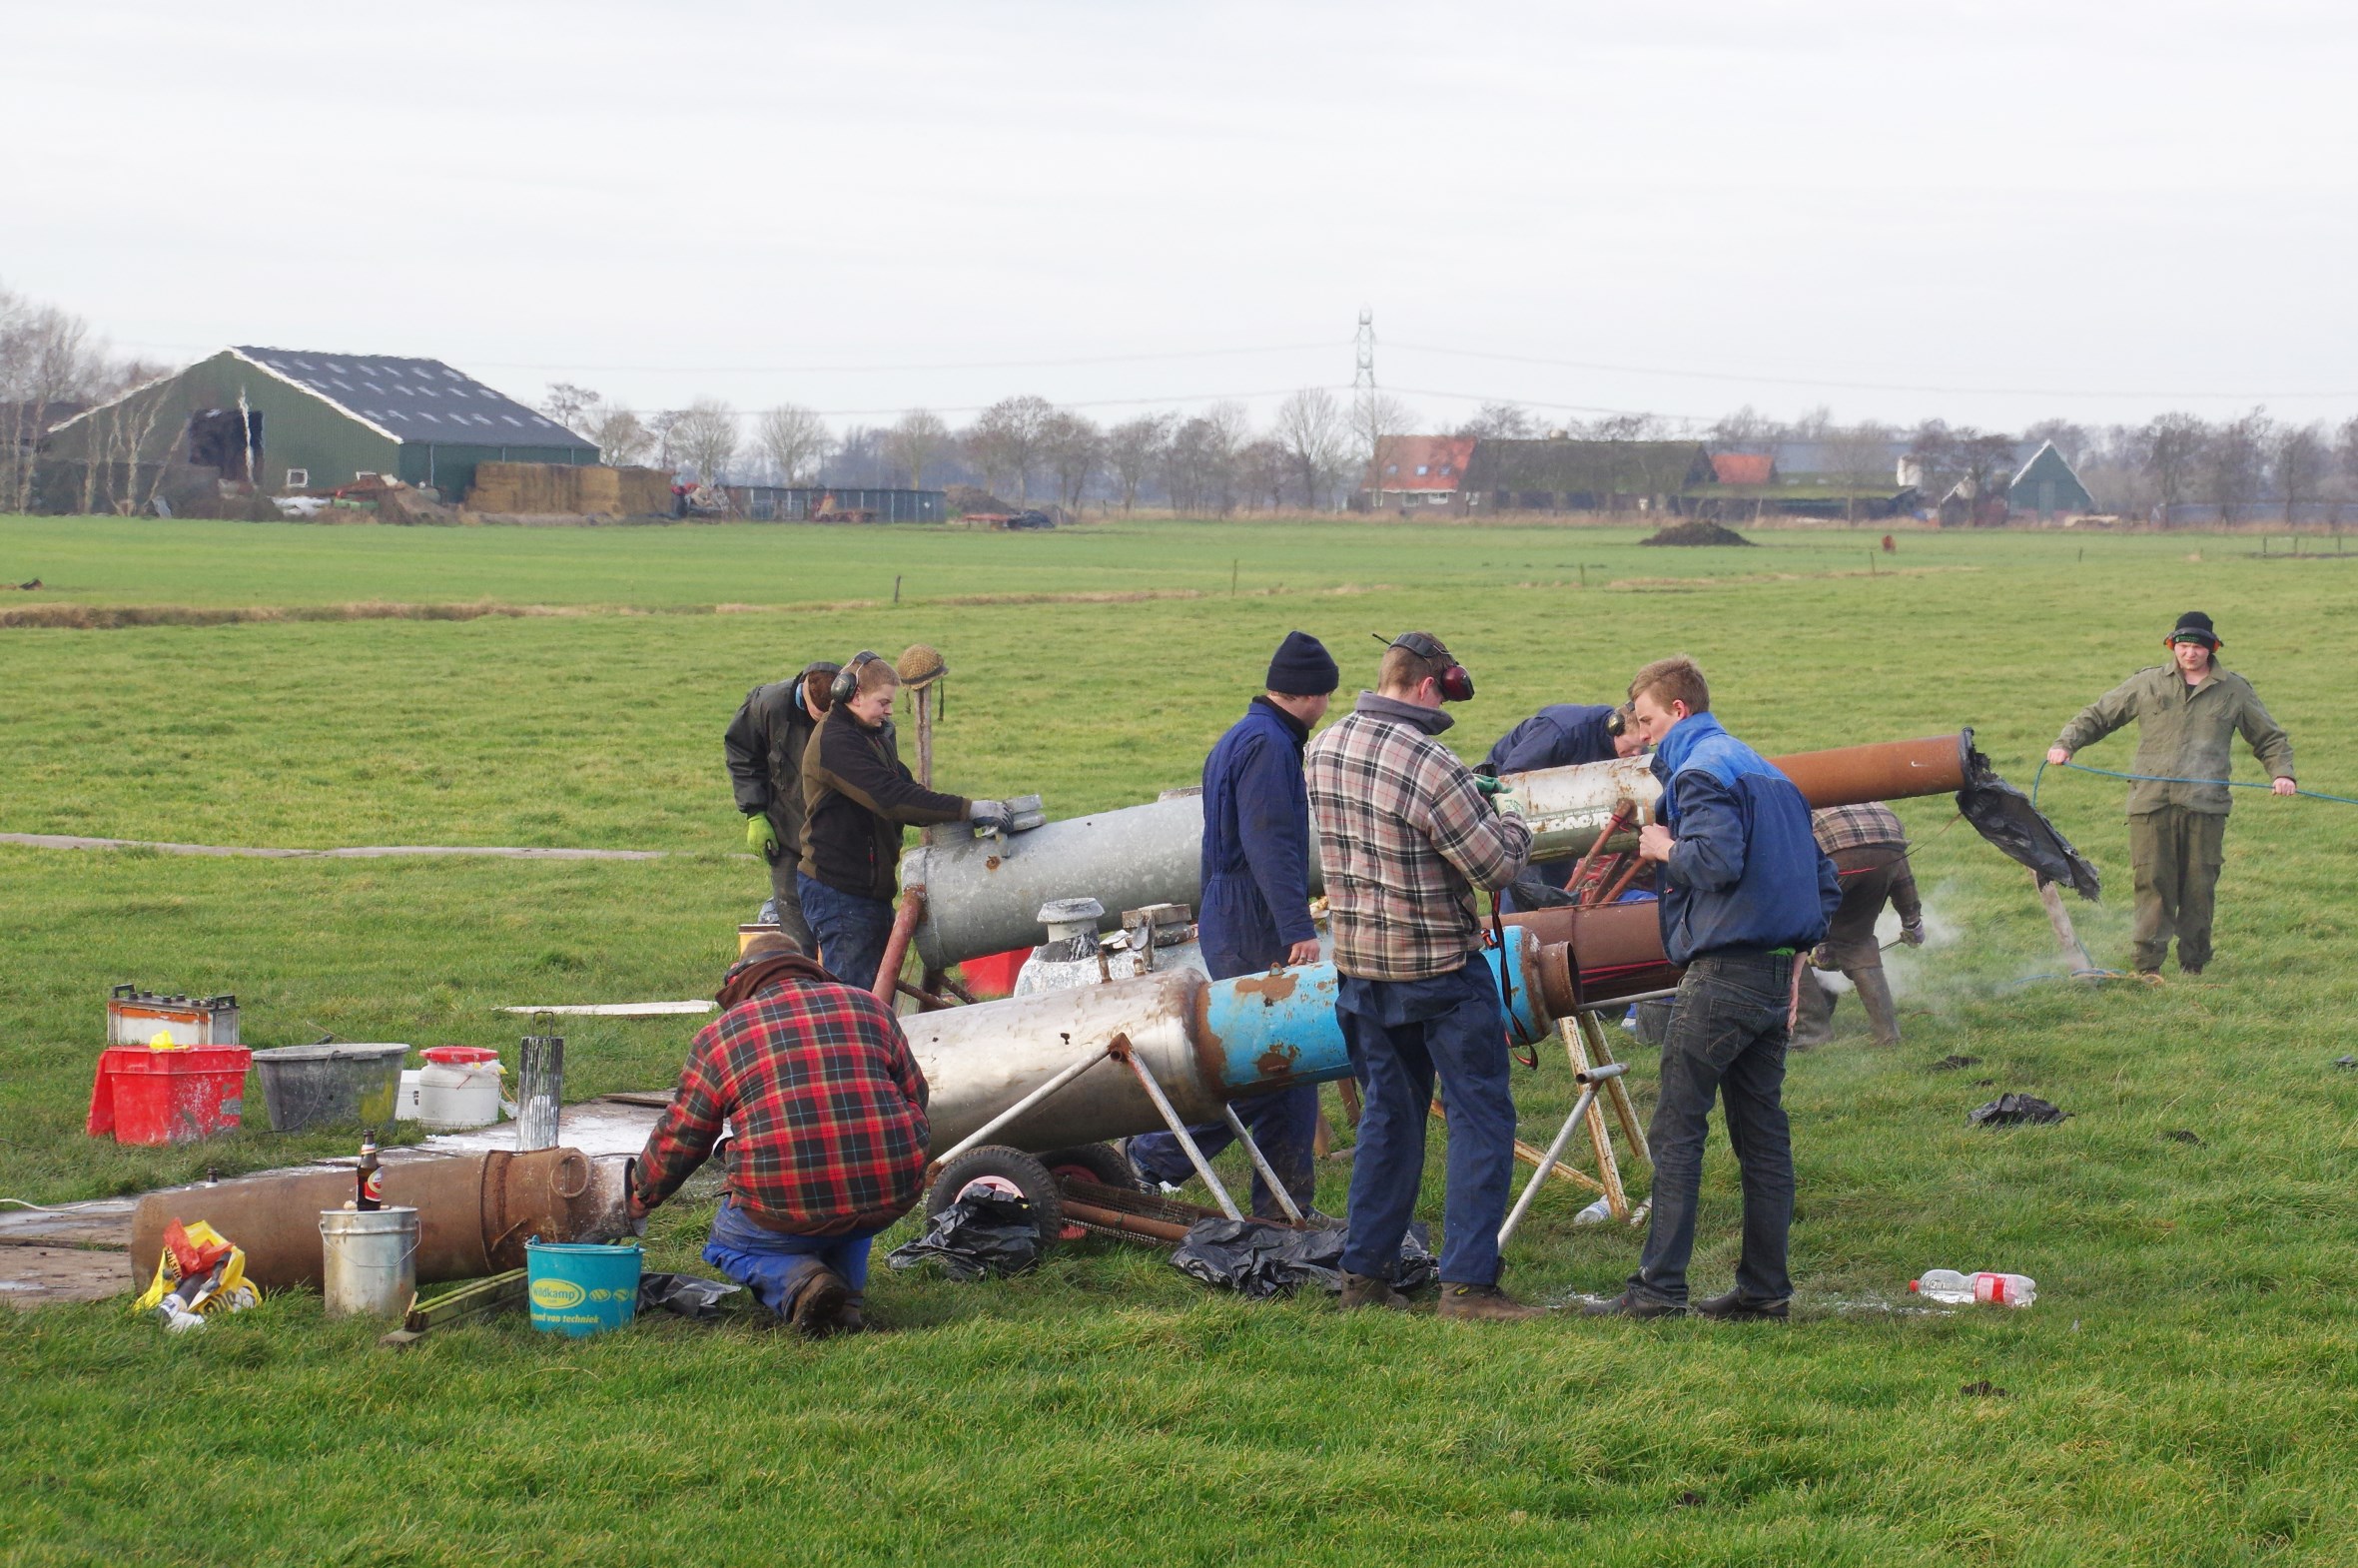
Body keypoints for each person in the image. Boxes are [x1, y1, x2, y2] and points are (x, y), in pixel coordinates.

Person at [1585, 655, 1838, 1322]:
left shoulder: (1698, 772)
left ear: (1678, 711)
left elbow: (1713, 861)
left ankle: (1657, 1290)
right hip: (1769, 978)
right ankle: (1763, 1292)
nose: (1638, 737)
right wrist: (1790, 965)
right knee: (1761, 1138)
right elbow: (1825, 882)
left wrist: (1659, 846)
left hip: (1720, 976)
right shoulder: (1770, 774)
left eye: (1644, 721)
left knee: (1677, 1131)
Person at [1305, 631, 1537, 1320]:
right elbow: (1493, 866)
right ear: (1435, 684)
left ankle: (1364, 1277)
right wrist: (1514, 817)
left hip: (1358, 970)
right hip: (1437, 970)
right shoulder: (1431, 764)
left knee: (1388, 1118)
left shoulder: (1323, 747)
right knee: (1479, 1120)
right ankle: (1467, 1286)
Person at [1129, 630, 1338, 1218]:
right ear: (1312, 695)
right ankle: (1158, 1158)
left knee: (1269, 1064)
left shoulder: (1239, 736)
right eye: (1327, 697)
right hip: (1255, 914)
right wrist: (1298, 927)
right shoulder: (1271, 745)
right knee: (1283, 1059)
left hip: (1229, 906)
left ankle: (1277, 1207)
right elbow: (1269, 841)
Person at [630, 932, 930, 1335]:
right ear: (808, 969)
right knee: (853, 1188)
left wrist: (642, 1193)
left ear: (739, 981)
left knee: (726, 1242)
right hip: (889, 1190)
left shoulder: (721, 1037)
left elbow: (684, 1135)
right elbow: (917, 1094)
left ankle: (800, 1283)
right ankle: (847, 1299)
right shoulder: (871, 1008)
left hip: (785, 1203)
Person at [2046, 611, 2295, 977]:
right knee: (2153, 883)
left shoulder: (2234, 690)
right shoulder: (2148, 683)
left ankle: (2193, 964)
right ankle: (2148, 968)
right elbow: (2099, 715)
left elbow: (2269, 738)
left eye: (2197, 647)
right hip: (2151, 802)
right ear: (2172, 646)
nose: (2189, 654)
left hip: (2205, 805)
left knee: (2199, 885)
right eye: (2182, 646)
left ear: (2212, 649)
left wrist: (2282, 774)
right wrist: (2066, 745)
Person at [799, 651, 1014, 990]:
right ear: (853, 695)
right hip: (839, 890)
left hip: (866, 888)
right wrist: (968, 809)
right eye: (883, 702)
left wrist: (958, 811)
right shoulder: (836, 742)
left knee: (875, 992)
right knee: (857, 999)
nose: (888, 711)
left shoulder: (870, 734)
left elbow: (905, 787)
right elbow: (892, 799)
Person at [724, 660, 842, 950]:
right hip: (786, 832)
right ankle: (802, 984)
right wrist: (755, 813)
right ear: (805, 695)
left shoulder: (852, 706)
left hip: (839, 836)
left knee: (839, 928)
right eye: (818, 714)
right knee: (795, 923)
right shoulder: (768, 704)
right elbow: (742, 753)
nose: (822, 721)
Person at [1481, 701, 1646, 908]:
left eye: (1642, 747)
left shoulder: (1627, 746)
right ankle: (1514, 930)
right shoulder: (1563, 730)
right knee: (1524, 880)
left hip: (1563, 802)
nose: (1637, 755)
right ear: (1614, 727)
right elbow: (1512, 778)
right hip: (1515, 799)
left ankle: (1559, 926)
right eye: (1631, 747)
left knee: (1561, 880)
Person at [1791, 802, 1924, 1049]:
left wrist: (1815, 940)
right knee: (1857, 940)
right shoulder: (1866, 797)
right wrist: (1912, 921)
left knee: (1784, 941)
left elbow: (1795, 880)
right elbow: (1902, 874)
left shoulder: (1791, 806)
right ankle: (1888, 1034)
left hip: (1835, 851)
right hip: (1889, 840)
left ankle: (1812, 1032)